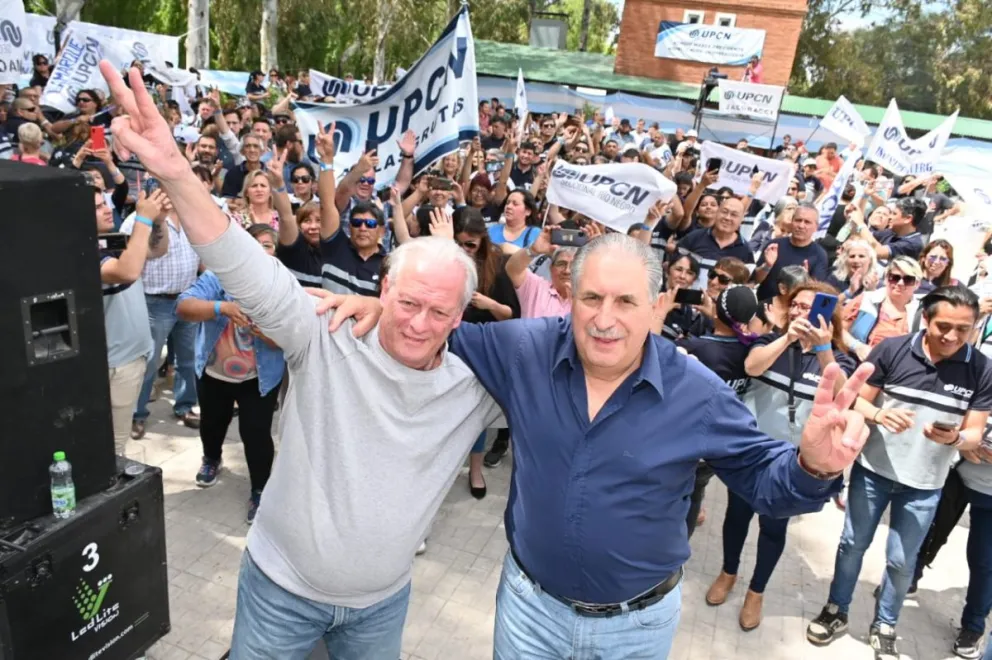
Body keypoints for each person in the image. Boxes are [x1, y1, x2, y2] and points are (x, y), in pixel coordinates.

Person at [99, 61, 508, 660]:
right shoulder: (328, 331)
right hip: (280, 593)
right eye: (408, 303)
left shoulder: (474, 385)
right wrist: (175, 171)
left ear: (460, 315)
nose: (420, 324)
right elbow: (248, 269)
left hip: (382, 606)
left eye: (439, 311)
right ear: (383, 288)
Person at [320, 231, 875, 659]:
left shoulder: (697, 393)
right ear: (569, 297)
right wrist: (382, 308)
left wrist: (812, 466)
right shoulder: (524, 350)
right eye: (591, 298)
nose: (605, 320)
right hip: (528, 613)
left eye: (626, 301)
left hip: (636, 629)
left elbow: (767, 483)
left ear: (655, 305)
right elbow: (438, 331)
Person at [808, 286, 992, 660]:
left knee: (903, 559)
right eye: (943, 326)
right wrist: (878, 415)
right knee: (852, 545)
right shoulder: (892, 350)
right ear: (926, 320)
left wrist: (956, 438)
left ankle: (885, 625)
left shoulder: (981, 369)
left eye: (963, 328)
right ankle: (836, 610)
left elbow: (975, 431)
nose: (952, 336)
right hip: (872, 471)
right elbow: (856, 400)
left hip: (926, 483)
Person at [708, 281, 855, 630]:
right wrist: (787, 338)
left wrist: (823, 350)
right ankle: (728, 572)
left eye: (810, 307)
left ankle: (756, 592)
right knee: (736, 515)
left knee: (773, 527)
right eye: (796, 305)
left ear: (827, 315)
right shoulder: (769, 341)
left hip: (792, 464)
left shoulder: (838, 358)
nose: (801, 312)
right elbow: (752, 367)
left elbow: (844, 395)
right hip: (751, 452)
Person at [177, 224, 286, 524]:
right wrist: (221, 308)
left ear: (276, 252)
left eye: (267, 245)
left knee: (256, 434)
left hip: (259, 378)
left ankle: (260, 489)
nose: (260, 251)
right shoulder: (218, 277)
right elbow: (183, 307)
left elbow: (292, 337)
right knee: (212, 424)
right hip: (214, 372)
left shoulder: (282, 286)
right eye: (254, 244)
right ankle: (211, 459)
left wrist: (265, 334)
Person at [679, 285, 760, 538]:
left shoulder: (697, 347)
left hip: (688, 439)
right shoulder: (753, 351)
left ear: (718, 311)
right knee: (696, 492)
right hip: (721, 443)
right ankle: (682, 542)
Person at [99, 189, 170, 456]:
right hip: (115, 365)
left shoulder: (111, 242)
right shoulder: (83, 251)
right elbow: (127, 271)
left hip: (133, 357)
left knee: (117, 441)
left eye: (105, 204)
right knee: (114, 447)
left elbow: (158, 249)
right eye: (97, 207)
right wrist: (143, 219)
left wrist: (159, 220)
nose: (108, 209)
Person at [843, 256, 924, 362]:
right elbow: (837, 329)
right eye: (894, 278)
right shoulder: (866, 300)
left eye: (908, 279)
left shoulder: (922, 313)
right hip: (856, 361)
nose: (900, 283)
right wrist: (857, 346)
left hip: (897, 367)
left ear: (917, 284)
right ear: (886, 279)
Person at [752, 203, 830, 301]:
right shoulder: (774, 245)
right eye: (798, 220)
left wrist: (805, 280)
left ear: (816, 227)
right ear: (792, 222)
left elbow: (815, 292)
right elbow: (755, 280)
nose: (801, 226)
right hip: (763, 304)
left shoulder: (819, 255)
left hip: (792, 308)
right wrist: (767, 266)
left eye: (807, 222)